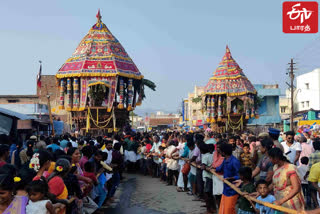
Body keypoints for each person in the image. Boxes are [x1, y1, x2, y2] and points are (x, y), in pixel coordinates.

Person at [214, 143, 241, 214]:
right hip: (225, 189)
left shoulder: (235, 161)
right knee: (223, 210)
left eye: (220, 151)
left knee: (229, 210)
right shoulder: (225, 160)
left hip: (233, 190)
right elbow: (220, 168)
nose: (219, 152)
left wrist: (232, 178)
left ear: (223, 152)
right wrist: (213, 168)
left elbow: (240, 176)